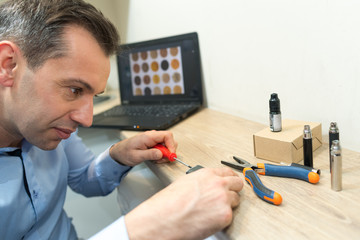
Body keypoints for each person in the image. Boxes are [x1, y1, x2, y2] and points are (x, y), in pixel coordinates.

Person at [0, 0, 244, 239]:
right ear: (8, 65)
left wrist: (118, 156)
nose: (86, 120)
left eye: (93, 96)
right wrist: (152, 225)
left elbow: (84, 178)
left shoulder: (51, 127)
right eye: (74, 90)